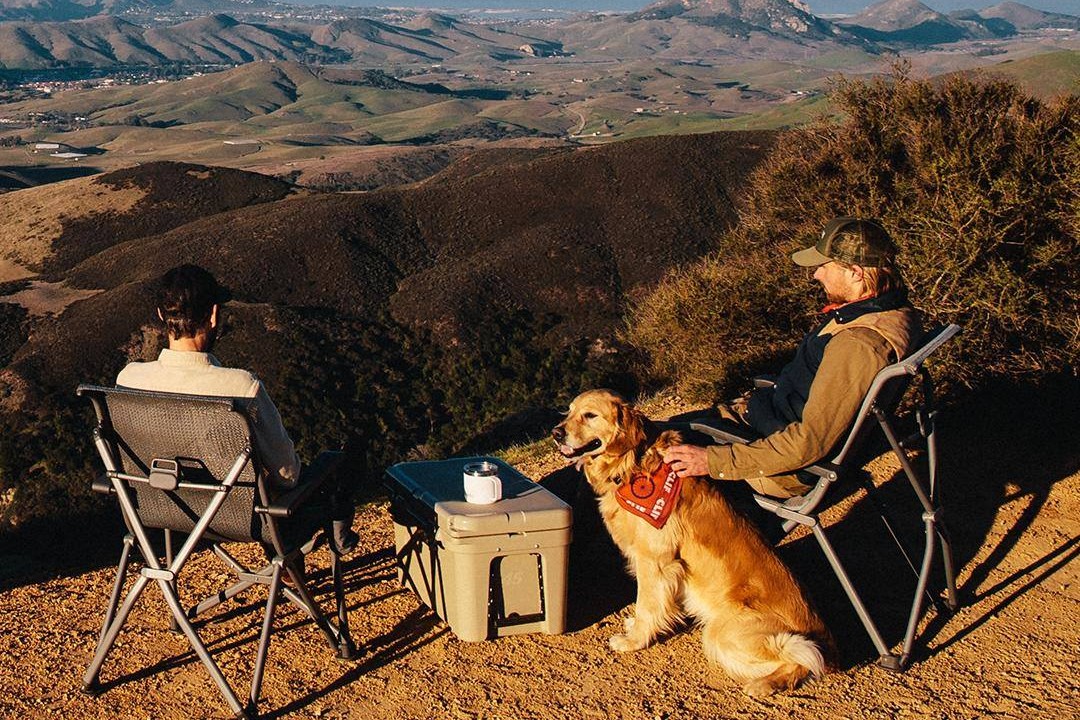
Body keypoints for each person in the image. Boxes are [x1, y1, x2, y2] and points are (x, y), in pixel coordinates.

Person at [663, 217, 921, 506]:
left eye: (825, 267)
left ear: (856, 273)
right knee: (667, 426)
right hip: (764, 420)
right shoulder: (888, 311)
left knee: (649, 446)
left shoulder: (857, 344)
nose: (816, 275)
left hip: (773, 460)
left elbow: (808, 443)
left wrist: (711, 461)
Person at [116, 264, 358, 553]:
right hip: (246, 521)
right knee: (340, 459)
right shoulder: (240, 387)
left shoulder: (129, 379)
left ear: (160, 315)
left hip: (159, 511)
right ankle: (334, 545)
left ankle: (298, 567)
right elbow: (288, 474)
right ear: (215, 315)